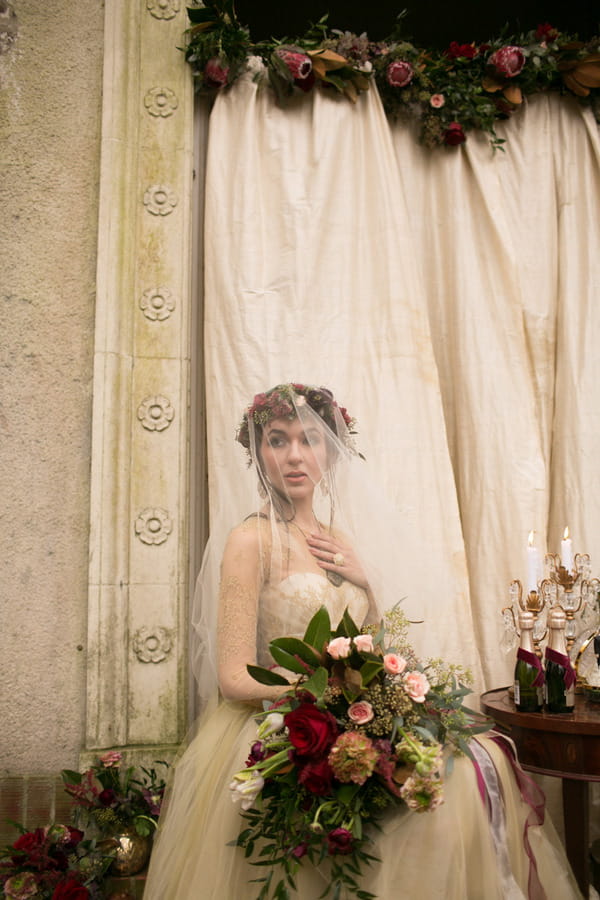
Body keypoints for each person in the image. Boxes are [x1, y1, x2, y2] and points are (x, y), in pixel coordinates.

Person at [144, 383, 580, 899]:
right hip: (284, 722)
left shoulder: (341, 542)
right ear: (257, 453)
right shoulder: (250, 540)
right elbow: (233, 677)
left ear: (331, 450)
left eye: (310, 439)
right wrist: (332, 695)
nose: (295, 455)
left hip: (354, 713)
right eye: (277, 441)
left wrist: (367, 579)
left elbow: (376, 646)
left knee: (474, 763)